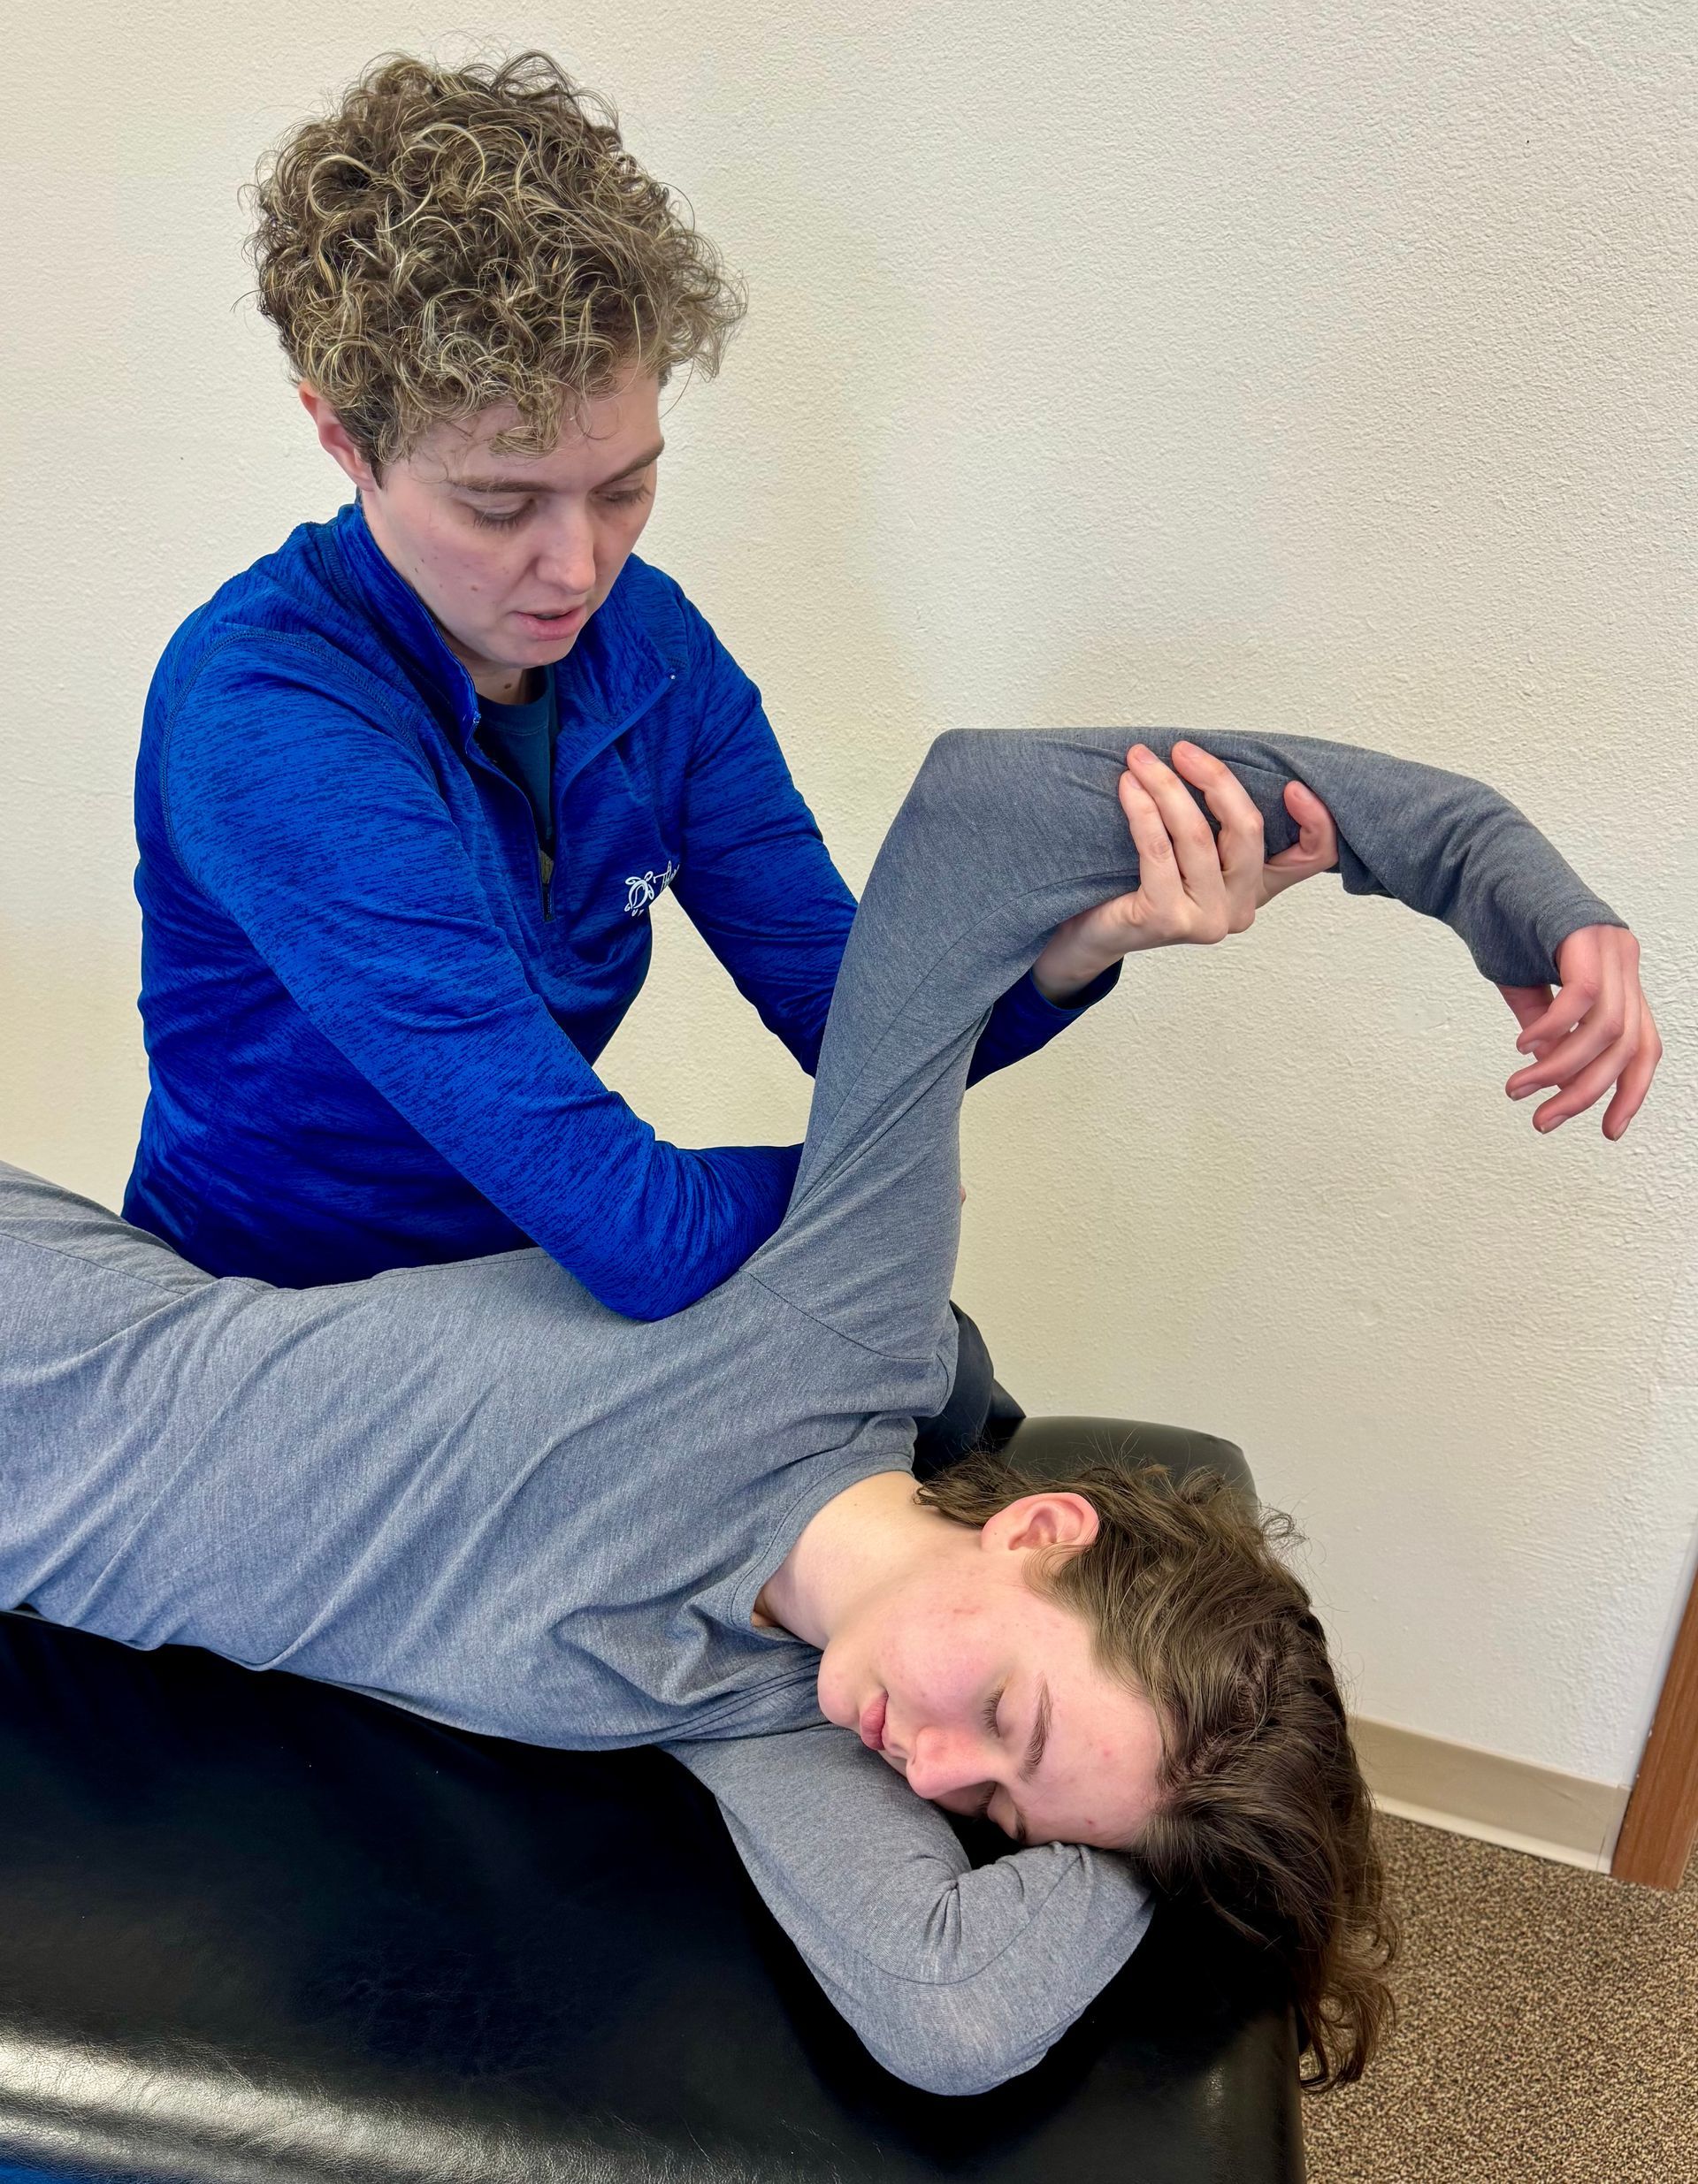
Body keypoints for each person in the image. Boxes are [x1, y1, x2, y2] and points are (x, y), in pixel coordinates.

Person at [1, 727, 1659, 2097]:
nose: (932, 1766)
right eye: (1002, 1715)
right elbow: (983, 816)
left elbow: (946, 2012)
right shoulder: (838, 1320)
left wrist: (1159, 1838)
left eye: (997, 1814)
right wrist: (1483, 869)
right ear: (1040, 1522)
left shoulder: (771, 1724)